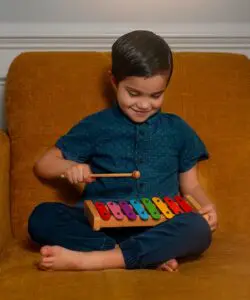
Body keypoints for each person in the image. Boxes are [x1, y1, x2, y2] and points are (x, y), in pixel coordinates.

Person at [28, 30, 218, 272]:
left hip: (158, 227)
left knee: (197, 229)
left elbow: (190, 186)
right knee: (42, 217)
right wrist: (69, 168)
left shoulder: (178, 129)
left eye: (156, 95)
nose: (144, 104)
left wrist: (206, 207)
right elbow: (44, 164)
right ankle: (142, 254)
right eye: (133, 93)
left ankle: (93, 259)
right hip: (100, 224)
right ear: (114, 81)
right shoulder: (96, 125)